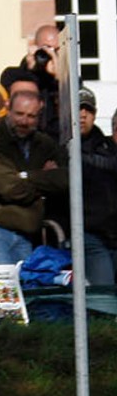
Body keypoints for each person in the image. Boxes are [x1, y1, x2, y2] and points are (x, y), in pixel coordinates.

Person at [0, 89, 68, 266]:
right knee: (5, 287)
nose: (24, 121)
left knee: (27, 289)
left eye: (31, 116)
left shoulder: (45, 143)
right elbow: (9, 188)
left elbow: (65, 179)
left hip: (29, 232)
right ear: (8, 108)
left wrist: (24, 177)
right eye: (19, 114)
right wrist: (43, 177)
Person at [77, 89, 117, 288]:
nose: (83, 114)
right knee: (105, 294)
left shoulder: (107, 146)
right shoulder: (57, 145)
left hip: (112, 233)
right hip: (88, 234)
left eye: (88, 110)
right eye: (78, 108)